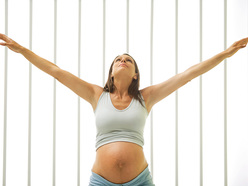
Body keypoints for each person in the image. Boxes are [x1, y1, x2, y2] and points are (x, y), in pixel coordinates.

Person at [0, 33, 247, 186]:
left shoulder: (146, 97)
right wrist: (22, 50)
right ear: (111, 71)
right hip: (101, 182)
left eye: (128, 60)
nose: (122, 61)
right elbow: (56, 71)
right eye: (118, 59)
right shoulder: (96, 95)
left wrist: (226, 53)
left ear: (135, 73)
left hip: (139, 181)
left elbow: (187, 75)